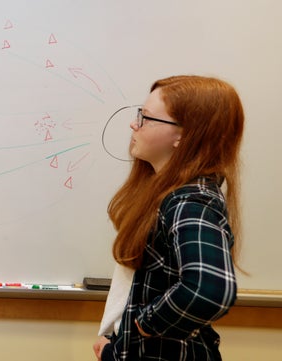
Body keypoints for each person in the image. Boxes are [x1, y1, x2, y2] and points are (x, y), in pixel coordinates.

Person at [93, 75, 244, 360]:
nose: (134, 124)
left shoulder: (190, 201)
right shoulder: (165, 194)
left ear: (183, 135)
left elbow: (209, 290)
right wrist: (117, 346)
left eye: (147, 118)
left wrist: (143, 324)